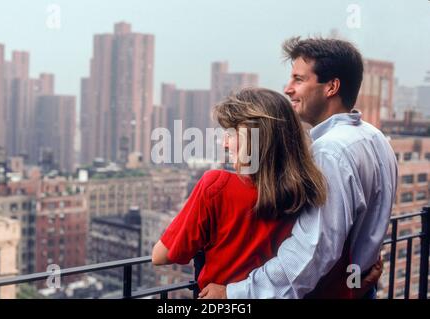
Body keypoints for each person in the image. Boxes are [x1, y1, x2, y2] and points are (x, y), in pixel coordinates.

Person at [199, 37, 397, 299]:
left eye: (299, 79)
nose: (288, 88)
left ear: (331, 87)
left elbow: (312, 251)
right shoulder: (374, 138)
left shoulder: (330, 152)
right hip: (358, 287)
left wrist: (235, 294)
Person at [152, 88, 329, 292]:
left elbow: (160, 255)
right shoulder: (306, 191)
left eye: (231, 134)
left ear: (255, 140)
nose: (225, 144)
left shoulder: (217, 186)